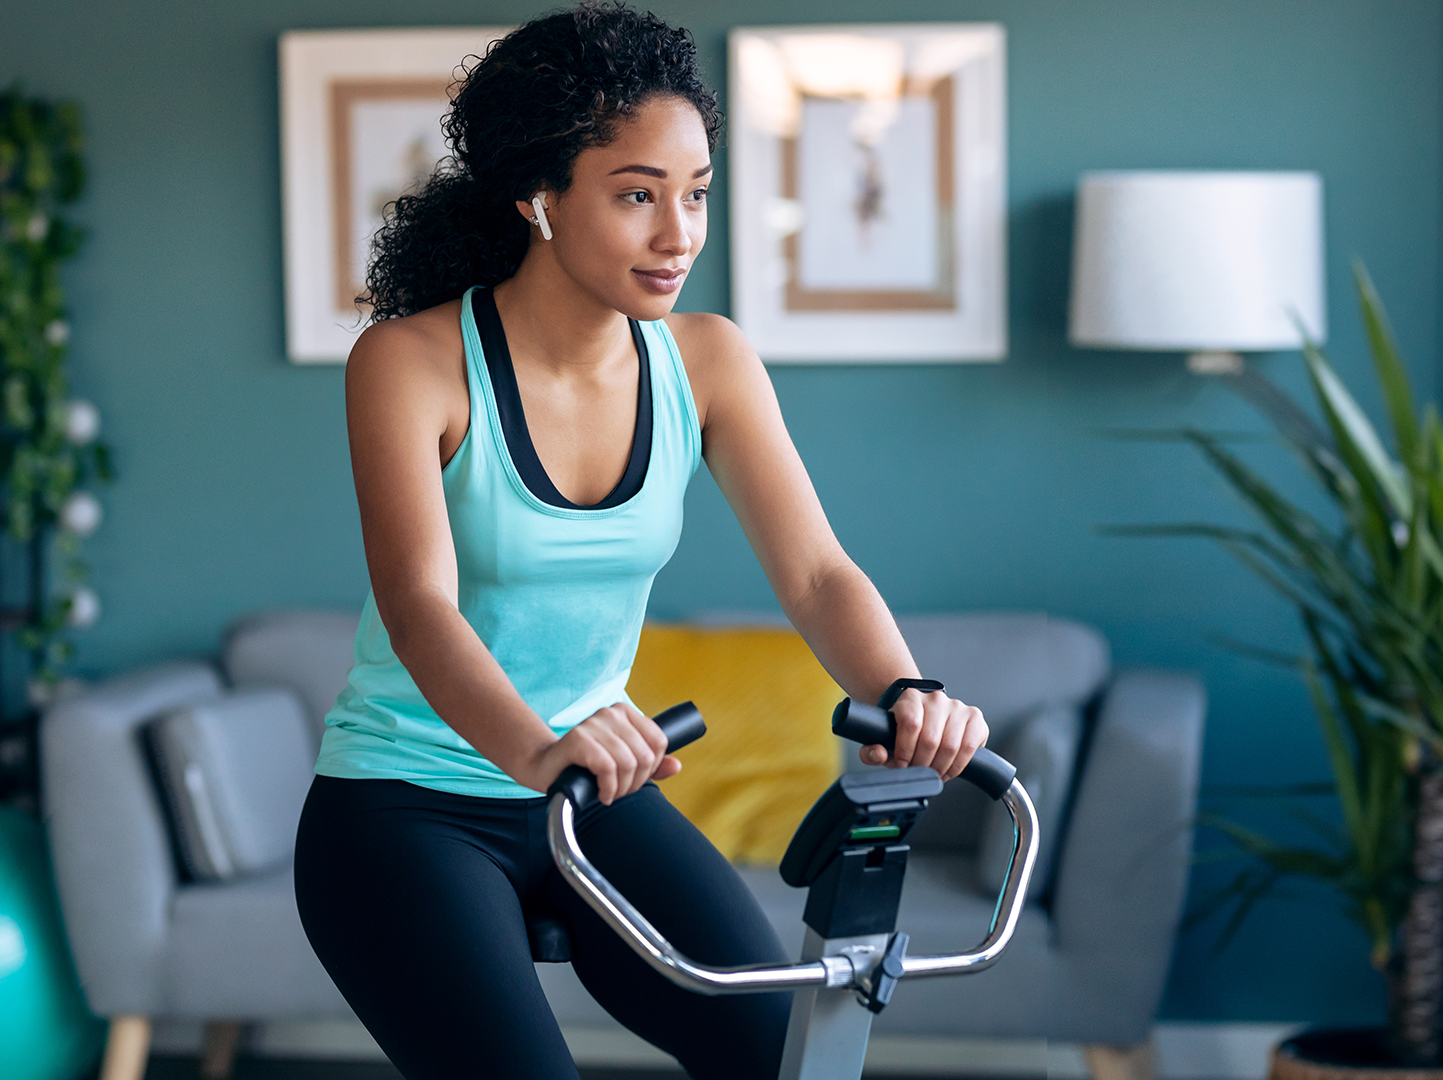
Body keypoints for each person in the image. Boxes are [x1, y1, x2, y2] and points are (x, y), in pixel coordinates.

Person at [293, 5, 991, 1078]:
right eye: (636, 196)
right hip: (406, 807)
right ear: (540, 199)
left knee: (788, 1055)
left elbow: (814, 571)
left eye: (696, 194)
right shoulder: (411, 363)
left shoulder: (705, 361)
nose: (680, 235)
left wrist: (905, 691)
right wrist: (535, 751)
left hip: (597, 797)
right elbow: (418, 604)